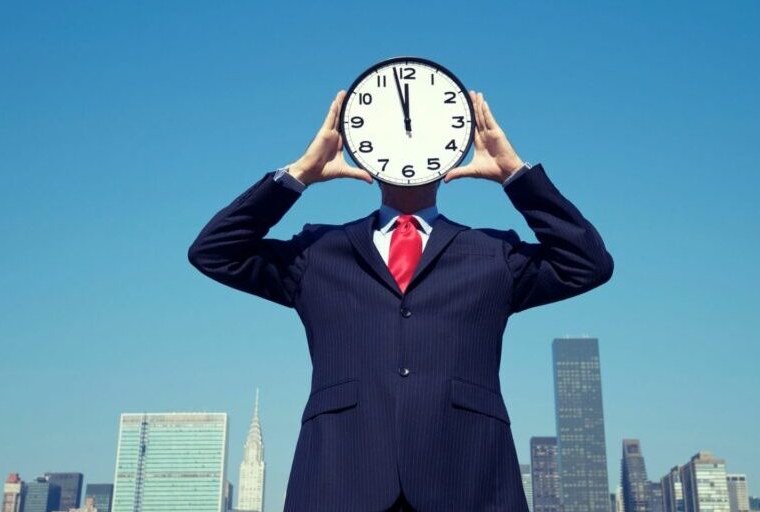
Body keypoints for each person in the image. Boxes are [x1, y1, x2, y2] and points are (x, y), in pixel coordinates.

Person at [188, 89, 614, 512]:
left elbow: (587, 264)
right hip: (339, 484)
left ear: (451, 149)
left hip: (470, 482)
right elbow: (215, 251)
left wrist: (515, 175)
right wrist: (299, 174)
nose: (408, 144)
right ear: (363, 150)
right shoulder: (317, 252)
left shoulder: (492, 254)